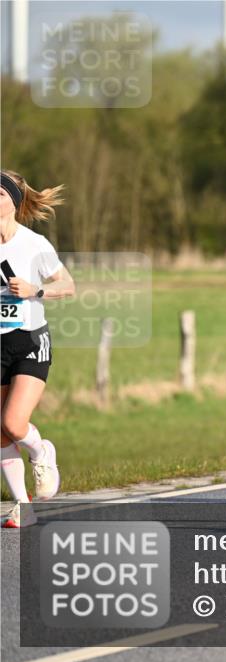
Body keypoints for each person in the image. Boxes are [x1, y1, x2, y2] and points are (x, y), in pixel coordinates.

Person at [1, 171, 75, 528]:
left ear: (14, 201)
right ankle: (22, 505)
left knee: (14, 424)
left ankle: (41, 450)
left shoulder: (34, 244)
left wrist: (35, 291)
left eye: (0, 193)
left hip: (29, 339)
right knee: (0, 431)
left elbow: (68, 285)